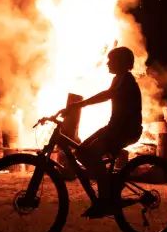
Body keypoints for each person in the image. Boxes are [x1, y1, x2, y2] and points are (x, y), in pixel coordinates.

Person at [59, 46, 143, 218]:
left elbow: (107, 95)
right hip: (114, 128)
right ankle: (109, 183)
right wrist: (77, 105)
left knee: (93, 151)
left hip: (125, 131)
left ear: (121, 62)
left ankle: (105, 199)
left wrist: (79, 104)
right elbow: (109, 94)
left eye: (111, 60)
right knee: (81, 152)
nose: (107, 63)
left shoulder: (126, 80)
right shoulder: (119, 79)